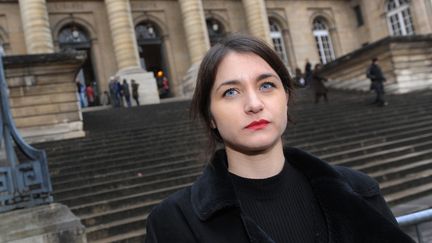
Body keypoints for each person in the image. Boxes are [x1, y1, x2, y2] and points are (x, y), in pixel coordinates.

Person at [145, 34, 414, 243]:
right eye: (230, 92)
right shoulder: (174, 223)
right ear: (210, 116)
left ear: (286, 97)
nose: (254, 104)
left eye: (266, 86)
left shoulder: (360, 192)